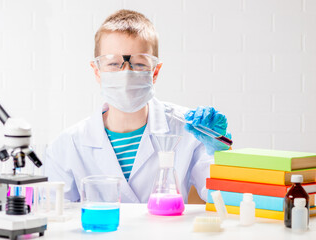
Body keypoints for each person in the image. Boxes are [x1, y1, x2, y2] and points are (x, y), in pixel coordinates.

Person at [45, 9, 231, 203]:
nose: (125, 72)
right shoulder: (67, 145)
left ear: (155, 71)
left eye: (139, 64)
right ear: (97, 71)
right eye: (114, 63)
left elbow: (226, 199)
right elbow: (54, 217)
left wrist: (221, 154)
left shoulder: (190, 130)